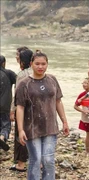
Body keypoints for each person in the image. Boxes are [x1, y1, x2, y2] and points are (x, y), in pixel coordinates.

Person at [15, 50, 70, 180]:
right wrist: (20, 129)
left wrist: (65, 121)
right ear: (31, 64)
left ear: (47, 64)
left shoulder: (52, 80)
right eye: (37, 64)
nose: (40, 67)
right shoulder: (24, 84)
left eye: (43, 64)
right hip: (31, 128)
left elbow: (58, 101)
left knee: (48, 160)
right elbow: (20, 108)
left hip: (50, 127)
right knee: (36, 158)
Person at [10, 48, 32, 172]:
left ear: (22, 61)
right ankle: (38, 162)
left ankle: (21, 164)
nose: (16, 59)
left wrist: (12, 110)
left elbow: (17, 94)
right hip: (35, 109)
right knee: (35, 135)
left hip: (23, 108)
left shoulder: (21, 75)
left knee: (21, 135)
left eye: (18, 57)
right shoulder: (36, 72)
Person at [0, 55, 16, 151]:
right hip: (5, 105)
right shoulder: (9, 73)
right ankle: (2, 137)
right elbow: (20, 81)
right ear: (3, 63)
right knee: (5, 125)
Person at [74, 78, 89, 156]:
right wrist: (83, 111)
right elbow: (75, 106)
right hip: (86, 118)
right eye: (83, 83)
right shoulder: (82, 95)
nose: (84, 85)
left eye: (86, 83)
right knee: (88, 134)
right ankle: (87, 150)